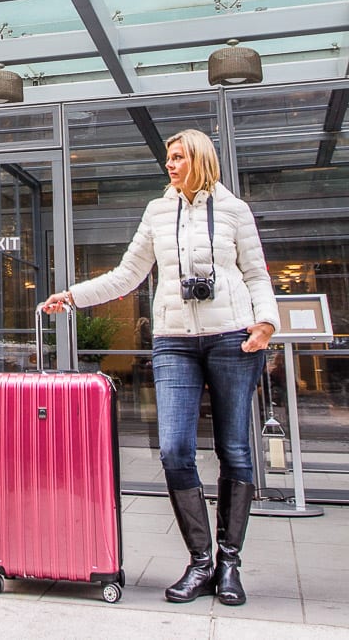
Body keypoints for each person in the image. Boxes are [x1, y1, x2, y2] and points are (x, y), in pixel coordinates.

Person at [43, 128, 279, 607]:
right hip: (173, 342)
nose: (169, 165)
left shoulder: (234, 211)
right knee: (174, 449)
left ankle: (229, 563)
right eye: (167, 158)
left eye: (177, 157)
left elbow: (256, 274)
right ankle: (200, 561)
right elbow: (128, 275)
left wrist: (266, 323)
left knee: (234, 448)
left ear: (199, 159)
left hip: (233, 339)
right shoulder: (156, 211)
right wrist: (72, 297)